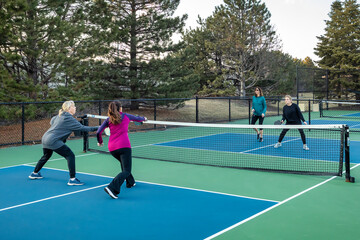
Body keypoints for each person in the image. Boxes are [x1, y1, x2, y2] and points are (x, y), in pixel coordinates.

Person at [29, 100, 99, 185]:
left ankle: (34, 173)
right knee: (70, 155)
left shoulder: (60, 115)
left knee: (46, 155)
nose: (75, 108)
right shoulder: (69, 118)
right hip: (53, 140)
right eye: (74, 106)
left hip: (45, 138)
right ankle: (72, 179)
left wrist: (62, 130)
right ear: (69, 109)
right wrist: (99, 127)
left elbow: (52, 122)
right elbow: (83, 128)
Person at [97, 101, 147, 199]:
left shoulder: (108, 119)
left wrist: (100, 141)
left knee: (124, 165)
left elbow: (99, 131)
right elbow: (138, 119)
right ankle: (111, 188)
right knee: (127, 170)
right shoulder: (126, 116)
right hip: (124, 147)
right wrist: (144, 118)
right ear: (120, 108)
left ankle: (130, 182)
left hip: (112, 149)